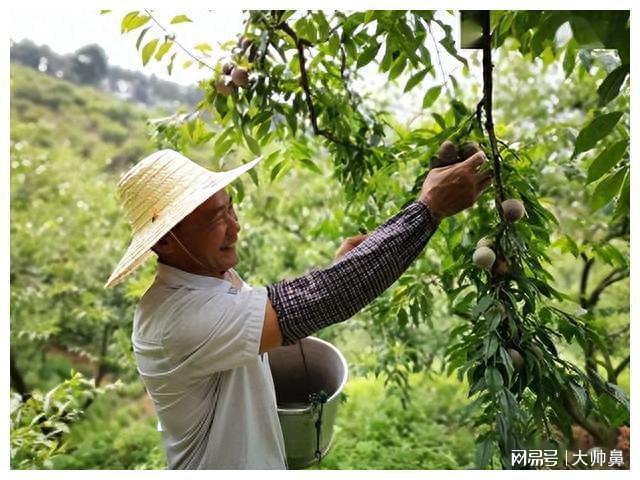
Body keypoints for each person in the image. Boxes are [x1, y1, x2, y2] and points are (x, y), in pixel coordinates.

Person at [104, 144, 492, 469]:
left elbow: (291, 308)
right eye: (213, 219)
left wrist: (343, 269)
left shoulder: (211, 278)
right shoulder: (177, 320)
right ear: (167, 243)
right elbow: (318, 300)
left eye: (230, 207)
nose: (235, 227)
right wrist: (428, 208)